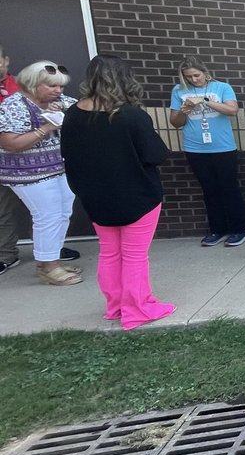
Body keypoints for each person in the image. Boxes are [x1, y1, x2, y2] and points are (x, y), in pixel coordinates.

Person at [61, 55, 175, 329]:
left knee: (110, 253)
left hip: (95, 196)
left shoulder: (73, 115)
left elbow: (68, 155)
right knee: (135, 255)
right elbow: (156, 154)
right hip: (137, 195)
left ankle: (115, 307)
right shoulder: (132, 116)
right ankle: (136, 310)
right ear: (125, 80)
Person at [0, 61, 81, 285]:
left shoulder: (58, 102)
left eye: (61, 86)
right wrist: (45, 128)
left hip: (57, 167)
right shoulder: (14, 105)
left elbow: (81, 108)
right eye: (52, 86)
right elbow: (10, 143)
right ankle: (49, 268)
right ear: (34, 83)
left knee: (63, 212)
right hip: (27, 173)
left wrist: (65, 111)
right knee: (47, 215)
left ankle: (49, 262)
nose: (59, 91)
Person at [168, 55, 245, 247]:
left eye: (196, 75)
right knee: (209, 190)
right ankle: (217, 229)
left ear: (205, 72)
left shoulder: (221, 87)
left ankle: (239, 230)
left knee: (229, 188)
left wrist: (204, 100)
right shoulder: (179, 91)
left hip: (223, 146)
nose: (193, 80)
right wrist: (185, 109)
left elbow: (232, 110)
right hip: (195, 147)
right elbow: (175, 123)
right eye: (188, 77)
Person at [0, 43, 24, 277]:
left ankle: (50, 253)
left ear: (6, 60)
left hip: (28, 157)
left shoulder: (22, 85)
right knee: (1, 208)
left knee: (46, 209)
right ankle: (6, 254)